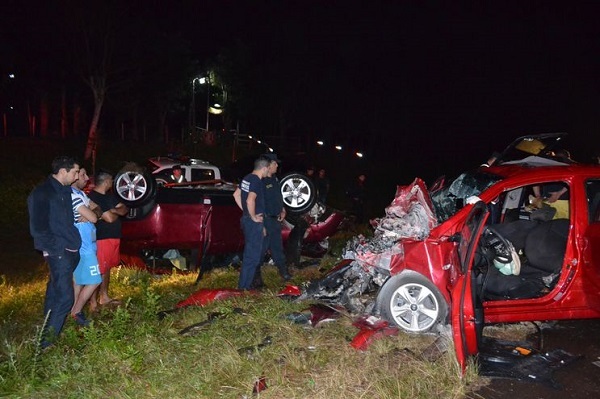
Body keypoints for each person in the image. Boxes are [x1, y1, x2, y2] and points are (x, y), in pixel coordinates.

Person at [28, 156, 82, 349]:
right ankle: (45, 345)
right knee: (66, 297)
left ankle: (45, 328)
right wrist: (57, 248)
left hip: (70, 249)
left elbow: (66, 222)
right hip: (58, 251)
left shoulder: (65, 191)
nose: (77, 177)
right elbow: (38, 228)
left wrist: (72, 242)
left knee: (54, 291)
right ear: (63, 171)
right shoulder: (42, 193)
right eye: (75, 172)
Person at [88, 170, 129, 311]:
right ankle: (93, 302)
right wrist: (114, 211)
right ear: (105, 182)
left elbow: (124, 209)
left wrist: (113, 210)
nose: (112, 183)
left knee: (107, 268)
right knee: (98, 269)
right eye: (111, 180)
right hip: (102, 238)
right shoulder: (93, 197)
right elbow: (109, 219)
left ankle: (104, 296)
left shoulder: (109, 196)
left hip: (113, 237)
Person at [70, 167, 102, 326]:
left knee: (78, 281)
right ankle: (76, 311)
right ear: (74, 177)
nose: (87, 178)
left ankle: (74, 312)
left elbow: (97, 210)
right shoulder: (72, 195)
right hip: (84, 246)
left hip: (87, 244)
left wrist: (91, 213)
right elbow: (94, 218)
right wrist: (91, 214)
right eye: (82, 174)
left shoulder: (82, 194)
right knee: (95, 280)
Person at [233, 155, 270, 290]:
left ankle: (244, 287)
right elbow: (250, 200)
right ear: (264, 168)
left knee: (250, 255)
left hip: (247, 220)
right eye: (268, 169)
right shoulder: (256, 181)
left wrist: (248, 212)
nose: (268, 172)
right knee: (252, 257)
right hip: (253, 222)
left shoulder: (247, 178)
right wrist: (253, 215)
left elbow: (236, 195)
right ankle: (243, 289)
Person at [256, 154, 291, 285]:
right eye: (275, 163)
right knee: (261, 249)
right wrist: (262, 224)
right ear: (269, 165)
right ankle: (256, 277)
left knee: (277, 247)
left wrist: (282, 209)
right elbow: (258, 203)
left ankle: (284, 272)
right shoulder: (261, 181)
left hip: (275, 220)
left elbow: (278, 196)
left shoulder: (275, 179)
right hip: (265, 220)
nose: (277, 165)